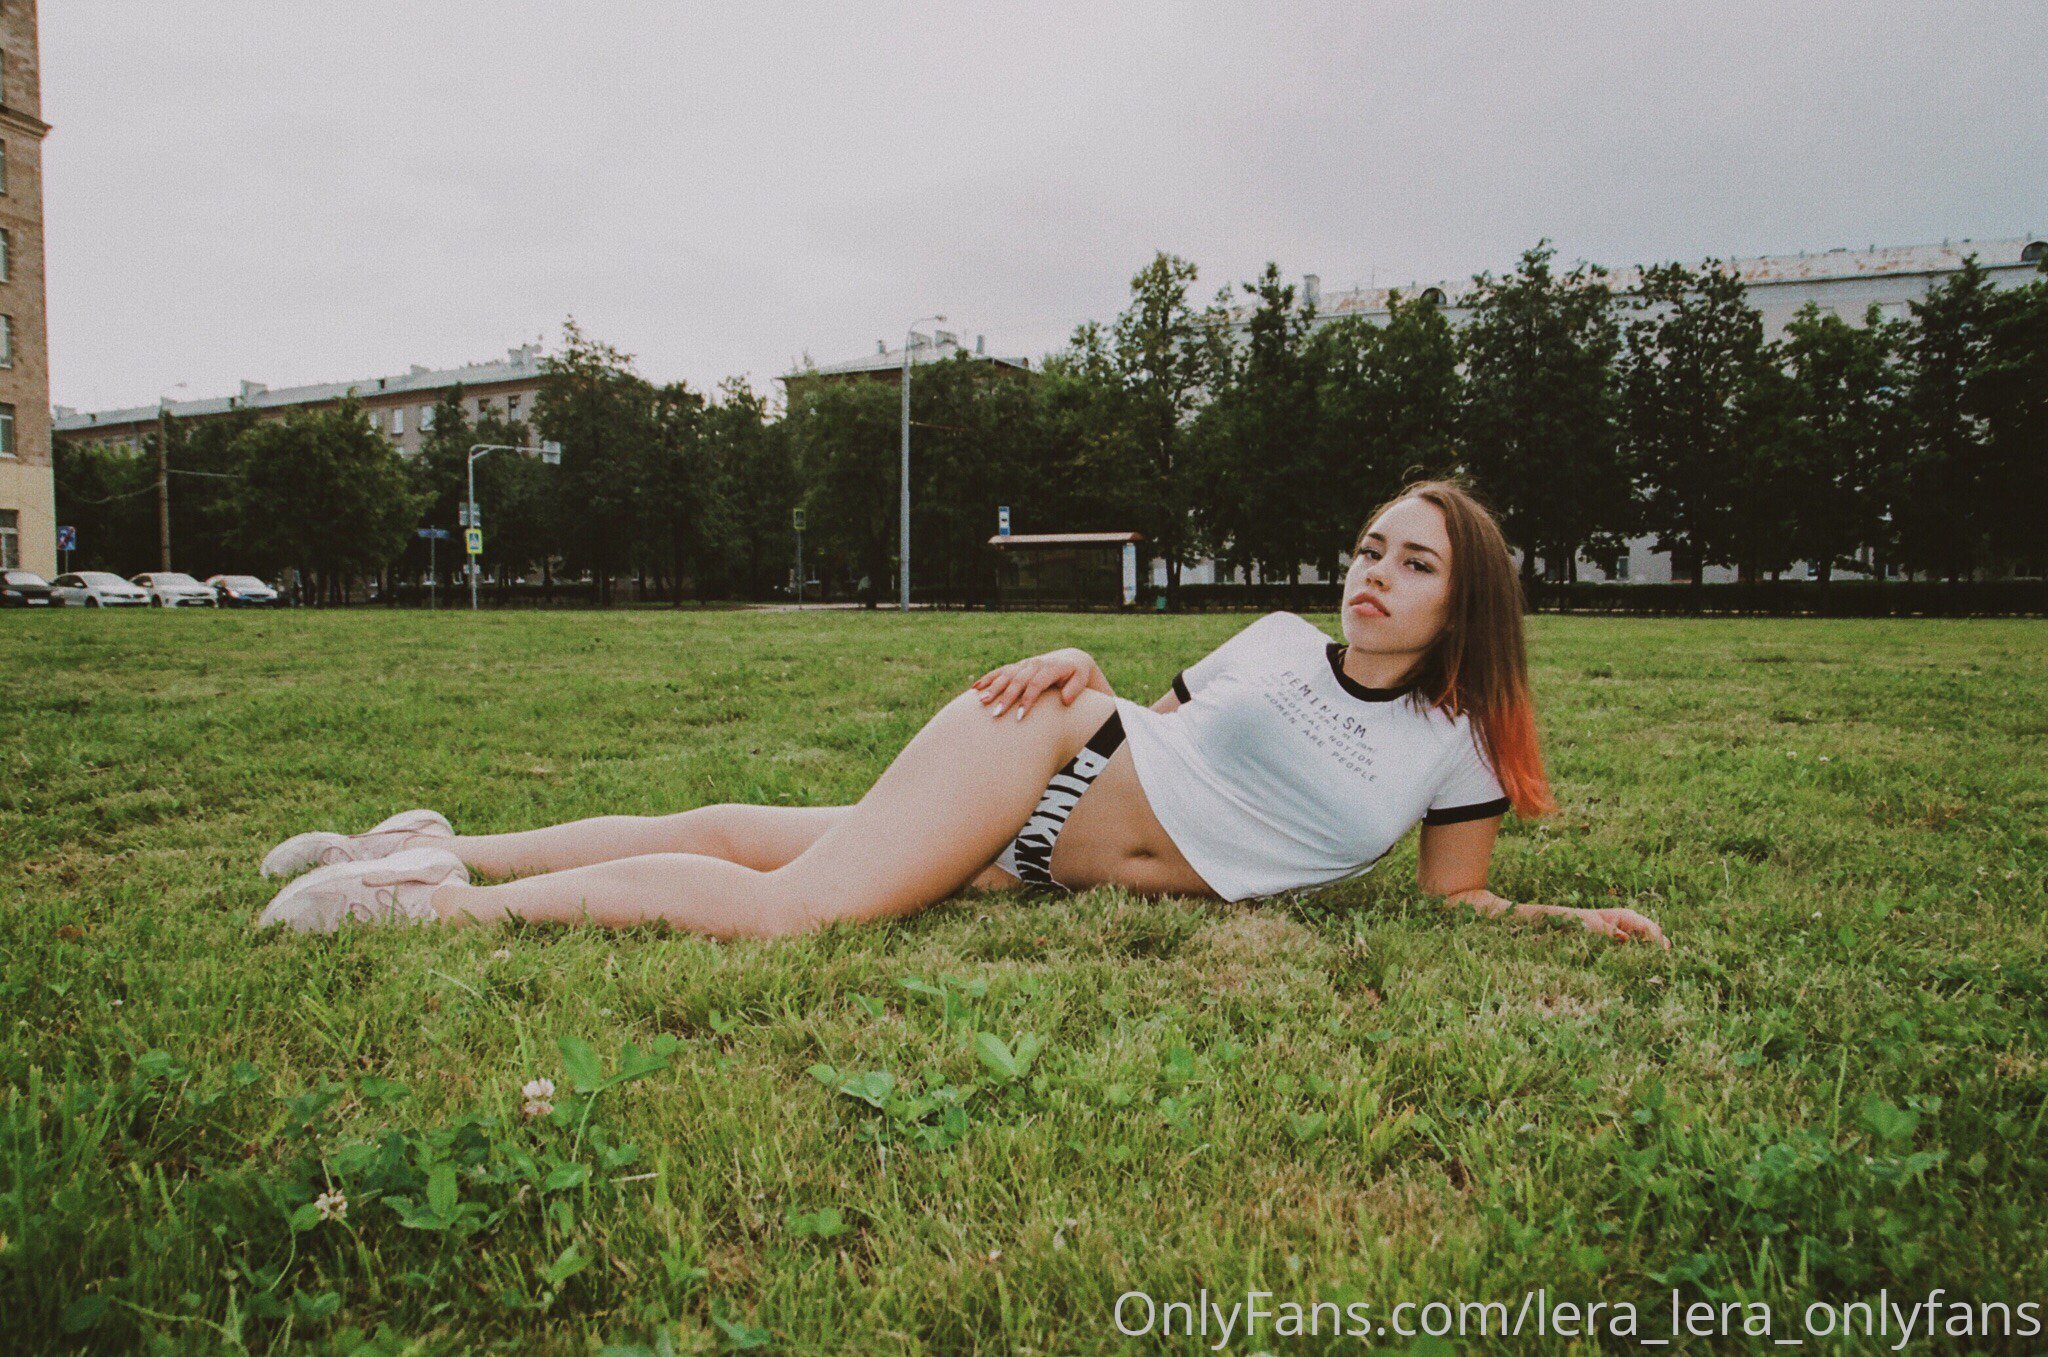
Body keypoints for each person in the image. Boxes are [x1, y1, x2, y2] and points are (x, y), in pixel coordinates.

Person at [255, 479, 1669, 949]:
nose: (1371, 575)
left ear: (1465, 602)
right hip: (1044, 753)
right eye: (1367, 548)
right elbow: (1147, 723)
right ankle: (429, 898)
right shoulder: (1275, 641)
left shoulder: (1456, 748)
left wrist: (1570, 922)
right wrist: (1082, 661)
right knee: (792, 909)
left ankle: (433, 840)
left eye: (1412, 564)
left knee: (737, 829)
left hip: (1023, 861)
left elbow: (1455, 900)